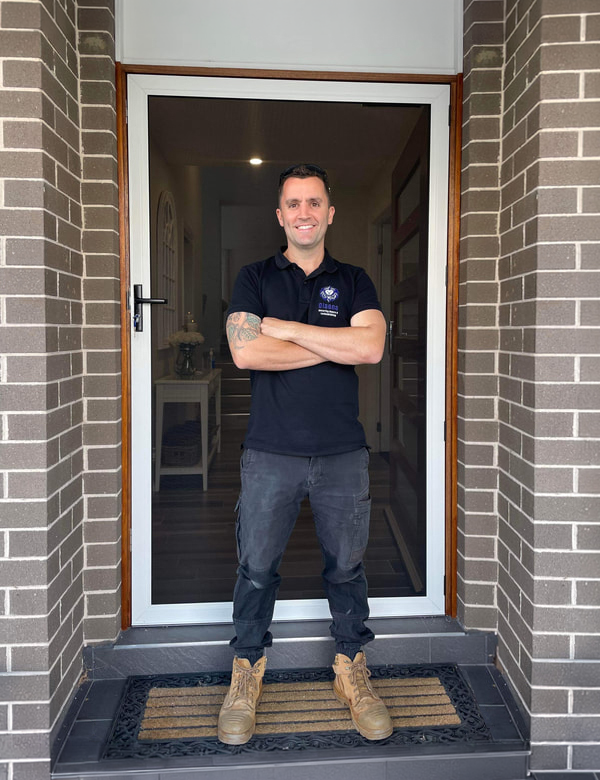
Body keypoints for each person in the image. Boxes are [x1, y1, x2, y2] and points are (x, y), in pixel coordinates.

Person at [218, 163, 390, 745]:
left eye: (315, 202)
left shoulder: (356, 278)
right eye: (294, 203)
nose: (304, 212)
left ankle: (352, 672)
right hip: (270, 452)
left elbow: (369, 347)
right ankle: (246, 672)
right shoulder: (253, 276)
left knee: (347, 568)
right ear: (280, 215)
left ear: (330, 212)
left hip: (343, 452)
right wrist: (333, 343)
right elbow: (245, 354)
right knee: (257, 567)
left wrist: (287, 330)